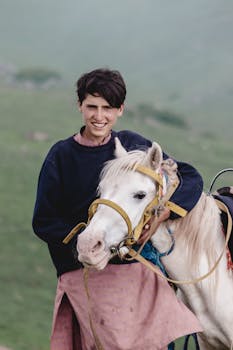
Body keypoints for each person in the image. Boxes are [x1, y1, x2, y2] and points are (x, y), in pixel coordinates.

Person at [32, 68, 203, 350]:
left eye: (108, 108)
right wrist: (83, 241)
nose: (99, 116)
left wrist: (163, 213)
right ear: (80, 106)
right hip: (83, 266)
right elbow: (44, 221)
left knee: (158, 342)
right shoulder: (61, 155)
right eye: (92, 107)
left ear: (120, 110)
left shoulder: (134, 145)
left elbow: (189, 176)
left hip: (137, 266)